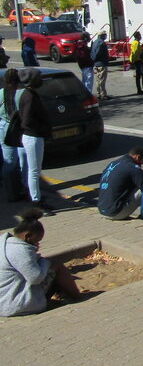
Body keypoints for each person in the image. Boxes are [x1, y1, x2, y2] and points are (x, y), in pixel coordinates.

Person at [0, 208, 81, 317]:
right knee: (56, 265)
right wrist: (46, 262)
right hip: (13, 304)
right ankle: (77, 297)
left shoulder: (5, 243)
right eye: (37, 241)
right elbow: (35, 278)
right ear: (27, 237)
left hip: (3, 298)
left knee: (47, 267)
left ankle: (62, 293)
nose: (38, 244)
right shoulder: (20, 250)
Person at [18, 68, 54, 216]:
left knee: (32, 170)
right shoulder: (29, 96)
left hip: (32, 136)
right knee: (34, 171)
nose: (41, 80)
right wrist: (41, 129)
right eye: (39, 77)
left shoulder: (29, 94)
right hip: (33, 137)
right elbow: (27, 121)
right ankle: (36, 203)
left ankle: (35, 196)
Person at [98, 147, 143, 220]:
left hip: (102, 209)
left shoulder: (113, 163)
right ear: (137, 157)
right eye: (141, 162)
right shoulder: (133, 168)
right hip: (115, 213)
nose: (140, 165)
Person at [0, 69, 25, 202]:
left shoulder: (1, 93)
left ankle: (11, 191)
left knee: (8, 161)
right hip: (19, 129)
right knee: (22, 161)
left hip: (4, 128)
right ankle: (21, 188)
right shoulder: (21, 94)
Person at [91, 30, 110, 101]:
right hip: (101, 63)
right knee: (102, 80)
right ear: (102, 35)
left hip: (96, 64)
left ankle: (98, 93)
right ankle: (103, 94)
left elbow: (92, 52)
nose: (106, 36)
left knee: (98, 79)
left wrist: (93, 60)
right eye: (105, 35)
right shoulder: (102, 43)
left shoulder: (95, 42)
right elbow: (98, 53)